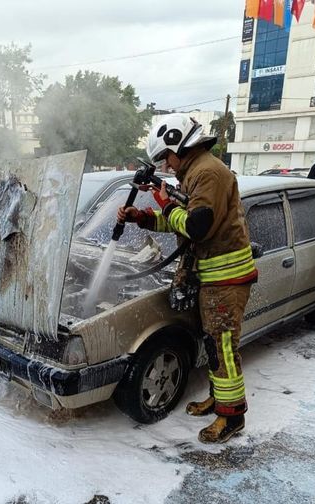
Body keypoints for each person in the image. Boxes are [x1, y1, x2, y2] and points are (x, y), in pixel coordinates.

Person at [117, 115, 256, 444]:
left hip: (226, 278)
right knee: (212, 342)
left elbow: (197, 227)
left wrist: (164, 206)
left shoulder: (207, 172)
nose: (165, 165)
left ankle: (231, 417)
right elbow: (182, 221)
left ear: (180, 145)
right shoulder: (196, 172)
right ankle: (219, 398)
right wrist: (144, 217)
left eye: (166, 157)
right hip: (213, 277)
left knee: (222, 347)